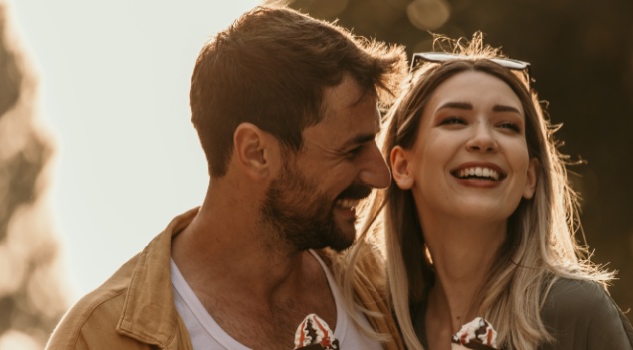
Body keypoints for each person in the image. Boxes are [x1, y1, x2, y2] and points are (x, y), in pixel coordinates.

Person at [46, 5, 407, 350]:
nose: (379, 175)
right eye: (351, 150)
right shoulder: (98, 338)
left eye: (372, 141)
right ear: (255, 152)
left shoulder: (381, 291)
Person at [352, 34, 633, 350]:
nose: (483, 139)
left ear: (529, 177)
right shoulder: (374, 326)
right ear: (402, 166)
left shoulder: (576, 312)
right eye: (454, 120)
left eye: (507, 125)